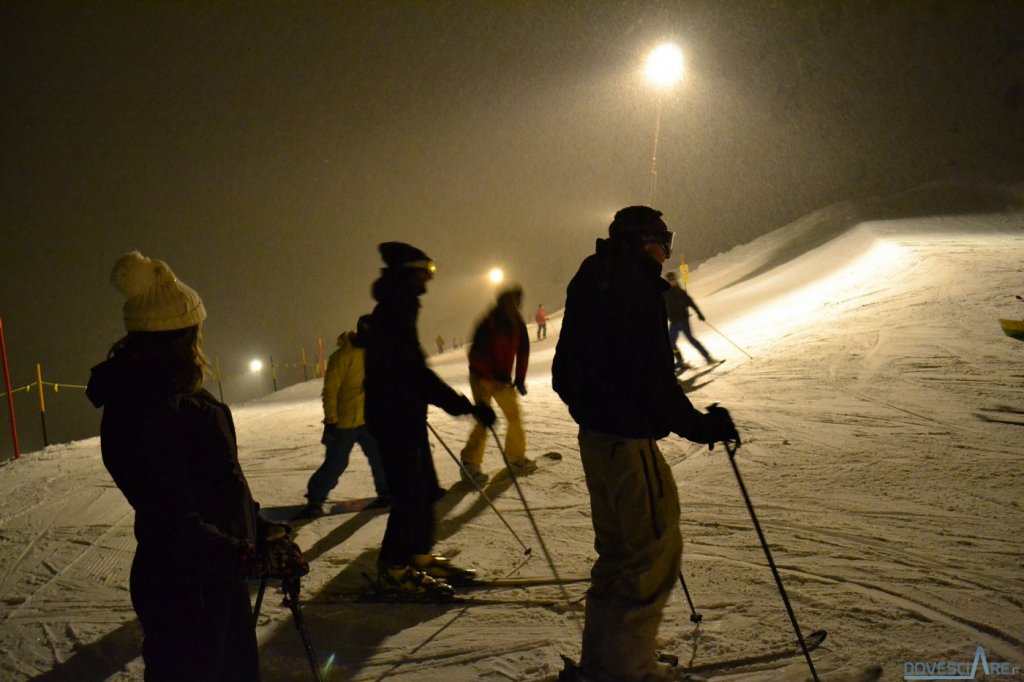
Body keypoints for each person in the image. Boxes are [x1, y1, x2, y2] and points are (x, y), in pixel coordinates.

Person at [552, 207, 740, 682]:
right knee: (651, 554)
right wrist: (700, 426)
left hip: (597, 440)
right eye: (663, 240)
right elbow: (654, 380)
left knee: (618, 555)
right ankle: (625, 671)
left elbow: (563, 373)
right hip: (628, 441)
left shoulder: (592, 278)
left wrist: (594, 409)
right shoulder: (635, 288)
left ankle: (607, 663)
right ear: (644, 242)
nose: (666, 250)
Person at [86, 251, 282, 681]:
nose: (201, 339)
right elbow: (169, 515)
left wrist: (260, 532)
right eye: (197, 330)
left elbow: (218, 486)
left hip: (212, 579)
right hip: (186, 589)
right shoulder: (147, 408)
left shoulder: (176, 397)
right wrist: (239, 552)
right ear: (178, 335)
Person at [364, 242, 496, 598]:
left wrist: (456, 404)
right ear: (410, 271)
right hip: (393, 417)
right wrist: (463, 405)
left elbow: (411, 371)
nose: (430, 278)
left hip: (402, 413)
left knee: (424, 491)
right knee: (410, 495)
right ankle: (394, 568)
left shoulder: (399, 305)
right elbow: (412, 372)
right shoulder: (394, 308)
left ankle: (417, 557)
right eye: (427, 270)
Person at [300, 314, 390, 518]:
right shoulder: (343, 356)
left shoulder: (374, 354)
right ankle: (315, 498)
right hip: (344, 421)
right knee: (337, 463)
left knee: (380, 456)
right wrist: (331, 419)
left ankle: (386, 492)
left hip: (368, 419)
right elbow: (330, 390)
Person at [459, 285, 535, 484]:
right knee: (484, 419)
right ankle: (470, 463)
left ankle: (515, 456)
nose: (514, 307)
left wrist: (519, 377)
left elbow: (523, 352)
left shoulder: (518, 324)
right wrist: (491, 376)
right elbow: (475, 356)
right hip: (481, 377)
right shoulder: (489, 322)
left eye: (516, 303)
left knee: (514, 415)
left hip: (501, 379)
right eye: (510, 303)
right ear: (502, 304)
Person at [664, 270, 716, 373]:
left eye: (673, 279)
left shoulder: (680, 292)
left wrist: (699, 313)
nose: (672, 281)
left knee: (690, 339)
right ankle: (680, 361)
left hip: (683, 320)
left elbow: (691, 302)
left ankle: (707, 357)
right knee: (671, 343)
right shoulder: (665, 294)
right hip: (674, 322)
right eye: (670, 280)